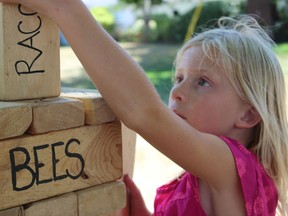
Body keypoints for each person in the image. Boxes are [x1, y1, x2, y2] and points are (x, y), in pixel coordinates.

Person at [1, 1, 287, 215]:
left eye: (202, 82)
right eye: (179, 78)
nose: (177, 92)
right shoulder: (203, 177)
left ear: (248, 114)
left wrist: (66, 9)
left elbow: (143, 112)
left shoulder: (232, 168)